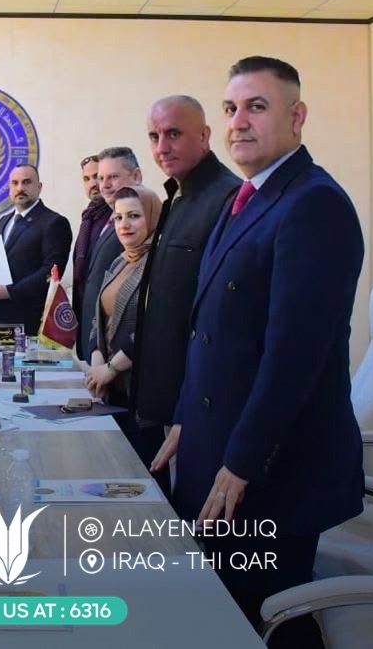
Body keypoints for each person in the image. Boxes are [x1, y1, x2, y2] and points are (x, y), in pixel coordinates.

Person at [152, 57, 365, 649]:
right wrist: (184, 417)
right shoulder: (246, 198)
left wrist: (242, 462)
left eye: (257, 106)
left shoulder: (314, 204)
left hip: (269, 470)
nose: (238, 122)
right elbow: (210, 328)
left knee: (267, 616)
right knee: (218, 608)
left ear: (296, 117)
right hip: (216, 440)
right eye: (230, 108)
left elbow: (293, 357)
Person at [132, 96, 241, 470]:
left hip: (196, 406)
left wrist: (190, 407)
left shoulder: (226, 198)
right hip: (164, 397)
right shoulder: (178, 196)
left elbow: (222, 321)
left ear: (205, 136)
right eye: (154, 136)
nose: (162, 147)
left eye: (174, 134)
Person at [84, 185, 164, 483]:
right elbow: (99, 317)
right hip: (110, 386)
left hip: (139, 389)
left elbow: (154, 325)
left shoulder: (161, 264)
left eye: (134, 216)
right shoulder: (121, 260)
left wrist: (112, 367)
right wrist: (96, 359)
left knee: (144, 476)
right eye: (118, 217)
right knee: (113, 472)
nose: (124, 224)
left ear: (153, 217)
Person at [0, 164, 73, 335]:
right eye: (15, 183)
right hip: (1, 318)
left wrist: (11, 292)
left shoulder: (54, 222)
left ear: (39, 187)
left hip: (33, 319)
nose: (20, 188)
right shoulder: (4, 222)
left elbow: (51, 272)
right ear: (9, 188)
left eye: (26, 182)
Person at [79, 147, 144, 369]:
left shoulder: (146, 227)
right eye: (101, 178)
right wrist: (96, 349)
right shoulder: (103, 222)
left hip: (126, 358)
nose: (103, 185)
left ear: (136, 176)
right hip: (99, 347)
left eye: (113, 177)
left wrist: (112, 367)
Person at [71, 154, 109, 358]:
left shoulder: (116, 217)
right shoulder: (88, 217)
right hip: (85, 317)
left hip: (106, 324)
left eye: (97, 176)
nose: (93, 183)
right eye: (87, 179)